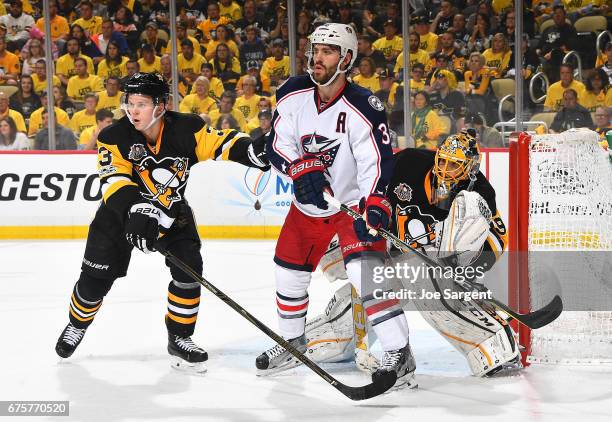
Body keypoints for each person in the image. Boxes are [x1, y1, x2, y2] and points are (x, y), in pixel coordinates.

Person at [54, 72, 270, 373]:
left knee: (189, 271)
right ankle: (76, 325)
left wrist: (254, 151)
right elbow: (114, 183)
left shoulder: (187, 129)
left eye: (141, 104)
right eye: (129, 103)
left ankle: (179, 337)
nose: (133, 111)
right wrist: (137, 210)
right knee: (94, 282)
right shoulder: (113, 136)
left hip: (170, 212)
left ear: (160, 105)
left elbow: (223, 144)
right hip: (118, 216)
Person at [261, 23, 415, 389]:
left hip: (351, 206)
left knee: (366, 275)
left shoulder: (363, 105)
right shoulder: (292, 94)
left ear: (346, 58)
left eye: (327, 51)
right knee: (288, 273)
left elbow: (376, 161)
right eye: (315, 49)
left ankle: (400, 353)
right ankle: (293, 342)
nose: (317, 57)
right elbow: (277, 145)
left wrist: (375, 205)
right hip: (308, 206)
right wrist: (299, 169)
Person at [306, 129, 519, 378]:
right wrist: (370, 217)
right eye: (442, 161)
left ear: (470, 168)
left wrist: (466, 268)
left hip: (438, 264)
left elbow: (497, 237)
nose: (445, 168)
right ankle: (329, 338)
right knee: (363, 277)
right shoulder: (409, 162)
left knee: (429, 283)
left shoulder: (479, 192)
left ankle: (490, 338)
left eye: (454, 165)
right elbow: (372, 186)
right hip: (391, 252)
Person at [536, 6, 577, 82]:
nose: (557, 15)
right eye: (555, 13)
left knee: (554, 55)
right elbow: (539, 46)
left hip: (559, 57)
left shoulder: (570, 29)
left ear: (565, 16)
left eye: (560, 13)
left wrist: (552, 53)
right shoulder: (547, 29)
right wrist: (537, 51)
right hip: (544, 56)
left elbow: (567, 47)